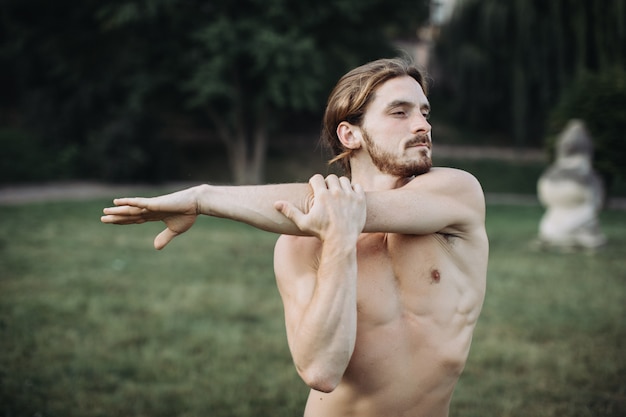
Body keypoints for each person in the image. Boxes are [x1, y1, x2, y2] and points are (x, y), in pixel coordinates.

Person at [101, 58, 489, 417]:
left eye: (424, 112)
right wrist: (338, 245)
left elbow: (352, 207)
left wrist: (203, 197)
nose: (422, 125)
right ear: (350, 134)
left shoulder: (456, 195)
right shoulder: (298, 246)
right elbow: (321, 370)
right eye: (399, 112)